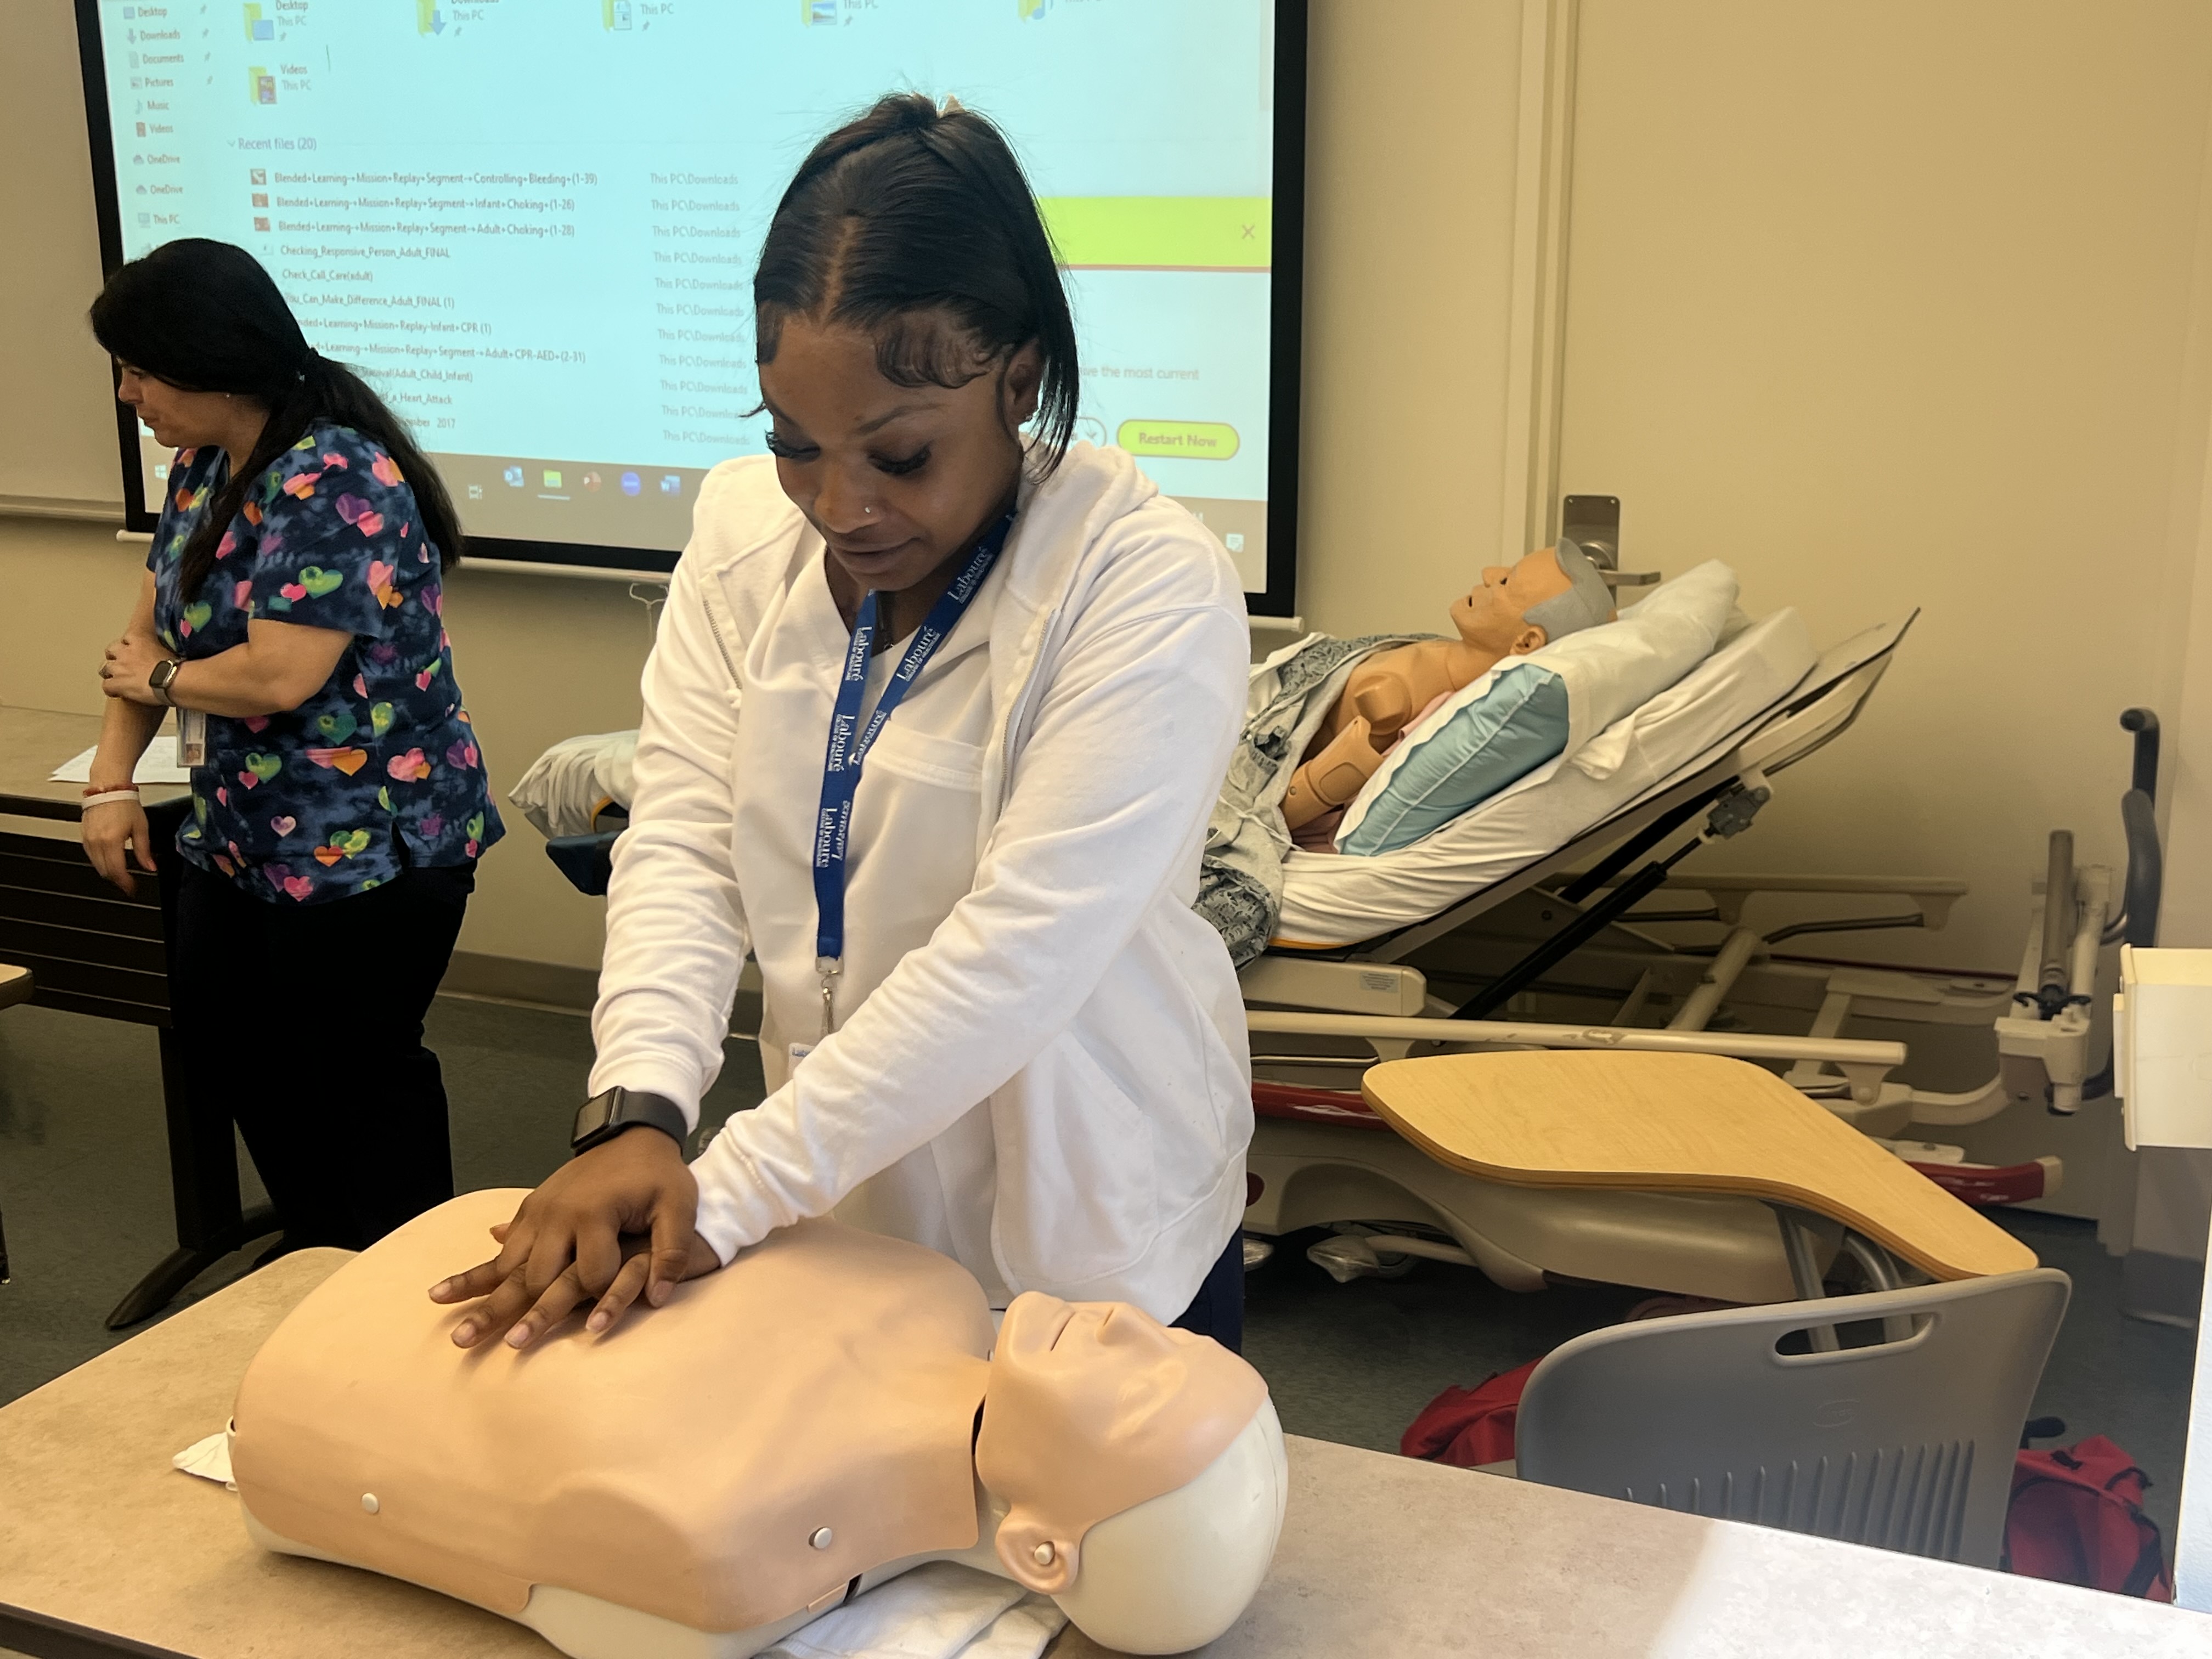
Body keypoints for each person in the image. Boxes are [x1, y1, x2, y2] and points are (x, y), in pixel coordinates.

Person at [433, 94, 1253, 1352]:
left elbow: (1019, 951)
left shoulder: (1141, 580)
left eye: (901, 455)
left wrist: (732, 1186)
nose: (840, 504)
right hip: (842, 1202)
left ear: (1019, 381)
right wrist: (639, 1108)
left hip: (1090, 1226)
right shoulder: (739, 541)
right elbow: (688, 837)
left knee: (1079, 1539)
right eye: (796, 447)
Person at [81, 238, 503, 1251]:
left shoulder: (334, 473)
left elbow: (279, 675)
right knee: (237, 1054)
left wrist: (164, 679)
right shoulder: (199, 469)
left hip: (368, 846)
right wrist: (109, 785)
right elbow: (142, 642)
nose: (130, 394)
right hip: (242, 835)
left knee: (357, 1076)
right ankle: (318, 1265)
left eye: (143, 369)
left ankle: (404, 1284)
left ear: (214, 357)